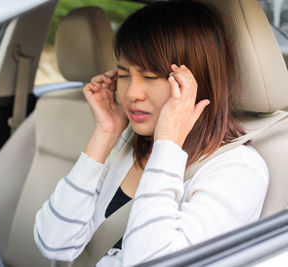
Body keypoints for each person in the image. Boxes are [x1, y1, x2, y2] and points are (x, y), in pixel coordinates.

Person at [34, 1, 269, 266]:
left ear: (195, 83)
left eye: (151, 76)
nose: (132, 93)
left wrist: (167, 147)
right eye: (124, 75)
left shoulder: (237, 170)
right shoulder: (126, 145)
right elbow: (53, 243)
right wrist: (105, 133)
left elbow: (151, 261)